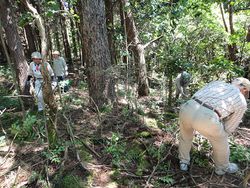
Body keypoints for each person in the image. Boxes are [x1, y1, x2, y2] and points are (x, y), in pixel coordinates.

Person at [178, 77, 250, 175]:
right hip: (207, 117)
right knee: (221, 140)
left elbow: (197, 94)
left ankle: (183, 162)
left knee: (185, 136)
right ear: (244, 89)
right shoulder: (241, 101)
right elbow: (230, 126)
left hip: (188, 106)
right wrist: (221, 131)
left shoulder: (217, 83)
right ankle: (222, 169)